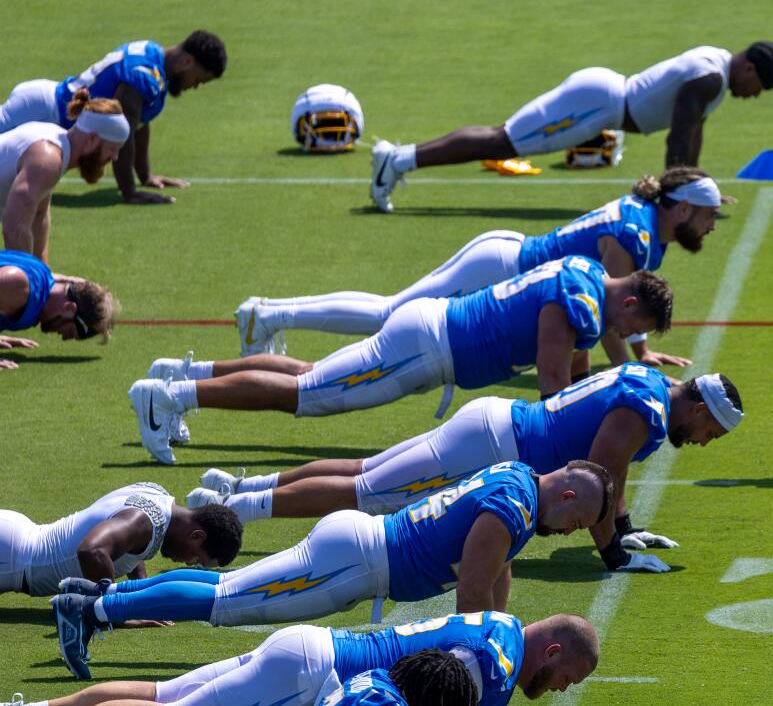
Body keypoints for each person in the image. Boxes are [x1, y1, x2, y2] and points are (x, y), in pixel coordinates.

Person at [51, 461, 613, 679]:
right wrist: (487, 654)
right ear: (566, 494)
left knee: (226, 589)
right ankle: (93, 608)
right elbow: (472, 587)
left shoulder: (518, 480)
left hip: (360, 552)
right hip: (358, 563)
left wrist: (500, 622)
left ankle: (98, 602)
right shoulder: (515, 507)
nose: (571, 531)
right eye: (579, 520)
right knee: (227, 601)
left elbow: (496, 567)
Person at [192, 364, 744, 575]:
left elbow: (610, 478)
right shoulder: (645, 412)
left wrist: (624, 527)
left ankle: (242, 488)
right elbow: (599, 475)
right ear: (699, 409)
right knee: (367, 492)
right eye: (710, 433)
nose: (702, 443)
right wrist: (614, 555)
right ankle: (232, 507)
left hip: (497, 423)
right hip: (496, 444)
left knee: (368, 472)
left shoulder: (650, 380)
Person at [129, 256, 672, 464]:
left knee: (312, 377)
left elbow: (570, 369)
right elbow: (554, 381)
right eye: (635, 327)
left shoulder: (585, 272)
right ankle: (169, 399)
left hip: (432, 336)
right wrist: (567, 440)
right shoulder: (578, 302)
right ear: (628, 302)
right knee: (308, 395)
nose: (627, 337)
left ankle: (187, 374)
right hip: (429, 348)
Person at [239, 169, 720, 368]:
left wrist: (641, 351)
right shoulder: (637, 236)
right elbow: (609, 318)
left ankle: (270, 314)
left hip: (506, 256)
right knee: (388, 316)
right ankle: (268, 314)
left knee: (390, 311)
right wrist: (629, 372)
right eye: (709, 215)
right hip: (502, 270)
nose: (713, 226)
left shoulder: (645, 221)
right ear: (682, 208)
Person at [368, 42, 773, 211]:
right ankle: (397, 160)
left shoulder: (716, 67)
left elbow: (693, 132)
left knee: (502, 139)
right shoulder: (710, 78)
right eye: (759, 87)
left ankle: (399, 159)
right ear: (748, 68)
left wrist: (694, 184)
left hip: (601, 101)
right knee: (502, 141)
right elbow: (678, 135)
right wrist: (677, 196)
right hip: (595, 106)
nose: (755, 96)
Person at [0, 31, 227, 204]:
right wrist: (130, 192)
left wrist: (145, 175)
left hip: (46, 107)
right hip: (41, 111)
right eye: (198, 80)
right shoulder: (144, 75)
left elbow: (140, 124)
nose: (194, 86)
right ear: (187, 62)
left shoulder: (153, 53)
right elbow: (124, 133)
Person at [8, 647, 477, 706]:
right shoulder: (384, 703)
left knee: (163, 693)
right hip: (294, 674)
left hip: (299, 655)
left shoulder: (382, 681)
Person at [0, 482, 242, 596]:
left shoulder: (158, 497)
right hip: (10, 560)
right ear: (197, 536)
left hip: (15, 541)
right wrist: (113, 608)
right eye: (197, 558)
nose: (189, 563)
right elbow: (92, 551)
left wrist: (139, 594)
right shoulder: (145, 522)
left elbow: (128, 544)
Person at [1, 90, 129, 262]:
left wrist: (43, 270)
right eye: (112, 149)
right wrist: (31, 275)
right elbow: (14, 228)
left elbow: (39, 214)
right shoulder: (47, 160)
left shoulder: (55, 145)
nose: (114, 158)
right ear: (92, 139)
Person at [0, 250, 118, 371]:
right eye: (70, 331)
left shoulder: (43, 285)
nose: (64, 338)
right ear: (69, 308)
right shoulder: (20, 285)